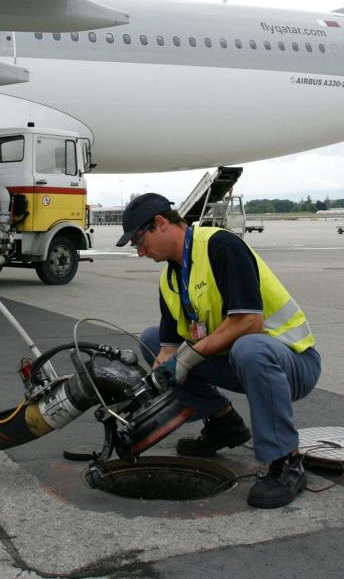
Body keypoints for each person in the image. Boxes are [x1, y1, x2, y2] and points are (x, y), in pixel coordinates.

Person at [117, 193, 321, 509]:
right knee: (151, 338)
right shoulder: (170, 280)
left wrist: (186, 359)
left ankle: (286, 461)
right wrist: (151, 389)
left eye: (139, 240)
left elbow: (249, 322)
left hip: (291, 362)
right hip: (239, 362)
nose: (140, 251)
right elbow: (167, 351)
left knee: (249, 347)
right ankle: (223, 423)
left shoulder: (220, 246)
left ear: (160, 223)